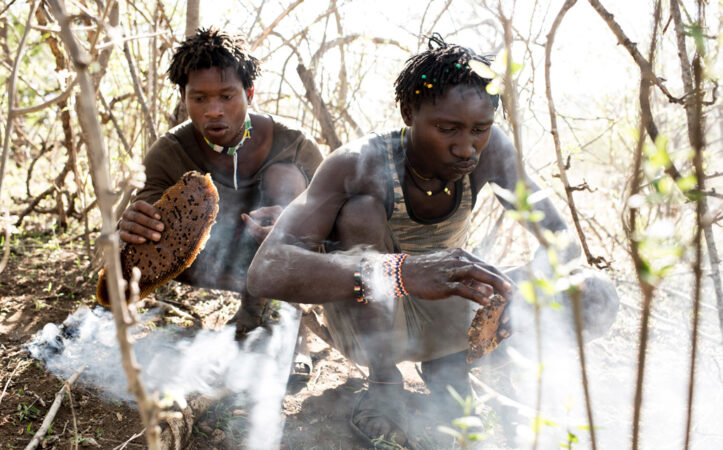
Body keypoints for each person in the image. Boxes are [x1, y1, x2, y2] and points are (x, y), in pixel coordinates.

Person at [247, 35, 618, 446]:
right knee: (361, 213)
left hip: (446, 311)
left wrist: (518, 297)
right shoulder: (357, 164)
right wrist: (399, 271)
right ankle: (385, 387)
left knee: (595, 292)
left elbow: (561, 245)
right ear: (409, 113)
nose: (466, 148)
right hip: (368, 321)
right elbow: (266, 271)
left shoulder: (491, 151)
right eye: (447, 129)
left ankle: (451, 374)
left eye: (480, 129)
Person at [117, 28, 323, 347]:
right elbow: (141, 222)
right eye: (199, 98)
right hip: (206, 263)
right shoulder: (170, 150)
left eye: (226, 96)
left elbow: (336, 220)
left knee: (288, 179)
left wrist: (297, 227)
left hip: (281, 262)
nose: (213, 110)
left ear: (249, 92)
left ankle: (280, 318)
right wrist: (130, 228)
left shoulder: (293, 144)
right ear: (184, 98)